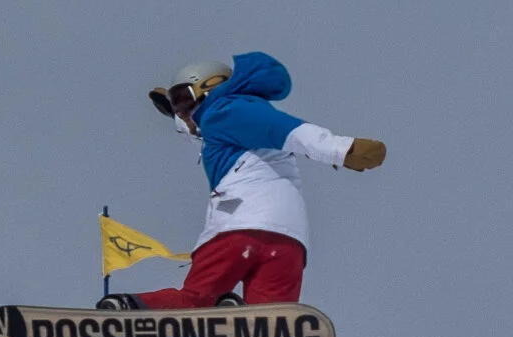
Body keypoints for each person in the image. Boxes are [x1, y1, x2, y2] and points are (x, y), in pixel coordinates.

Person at [98, 52, 384, 312]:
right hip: (288, 241)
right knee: (270, 316)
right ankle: (243, 332)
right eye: (175, 104)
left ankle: (128, 309)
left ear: (209, 87)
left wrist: (342, 149)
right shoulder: (234, 122)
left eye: (183, 98)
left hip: (237, 232)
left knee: (196, 299)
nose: (181, 111)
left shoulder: (223, 112)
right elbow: (277, 131)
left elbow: (289, 130)